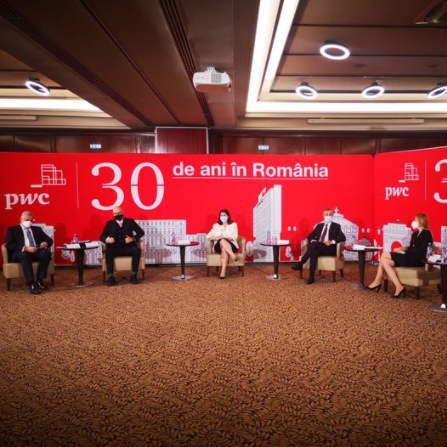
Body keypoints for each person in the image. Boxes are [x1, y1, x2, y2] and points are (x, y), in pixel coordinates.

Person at [367, 213, 433, 298]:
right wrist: (401, 249)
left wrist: (404, 252)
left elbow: (421, 251)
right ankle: (399, 287)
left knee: (384, 254)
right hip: (410, 256)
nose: (413, 222)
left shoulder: (426, 233)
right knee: (385, 262)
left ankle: (377, 282)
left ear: (421, 221)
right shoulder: (415, 234)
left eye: (415, 220)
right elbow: (410, 247)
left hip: (417, 259)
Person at [291, 208, 346, 284]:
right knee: (314, 252)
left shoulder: (336, 226)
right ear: (323, 216)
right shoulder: (319, 226)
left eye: (330, 214)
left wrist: (332, 241)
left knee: (314, 245)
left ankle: (301, 263)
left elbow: (343, 237)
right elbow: (310, 236)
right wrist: (312, 240)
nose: (328, 216)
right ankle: (311, 277)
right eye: (326, 214)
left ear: (332, 215)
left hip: (330, 249)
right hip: (319, 247)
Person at [6, 211, 53, 295]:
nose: (29, 222)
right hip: (21, 253)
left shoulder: (37, 229)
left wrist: (45, 243)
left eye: (31, 220)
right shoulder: (13, 230)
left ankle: (40, 279)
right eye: (27, 220)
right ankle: (31, 283)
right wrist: (25, 248)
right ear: (21, 219)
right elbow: (10, 244)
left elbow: (49, 240)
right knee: (25, 255)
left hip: (35, 251)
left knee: (46, 253)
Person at [100, 206, 145, 286]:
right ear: (113, 214)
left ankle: (134, 276)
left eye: (119, 213)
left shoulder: (130, 221)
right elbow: (102, 236)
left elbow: (141, 232)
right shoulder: (109, 223)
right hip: (115, 248)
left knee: (136, 250)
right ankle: (111, 277)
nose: (117, 215)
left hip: (128, 247)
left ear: (122, 212)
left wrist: (132, 238)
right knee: (108, 250)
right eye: (115, 213)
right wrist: (108, 240)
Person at [207, 208, 240, 279]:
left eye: (224, 215)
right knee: (222, 240)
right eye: (221, 215)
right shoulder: (216, 226)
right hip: (218, 245)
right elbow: (209, 236)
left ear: (228, 216)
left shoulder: (233, 224)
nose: (222, 217)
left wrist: (227, 238)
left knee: (224, 248)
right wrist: (217, 237)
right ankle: (232, 255)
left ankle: (223, 272)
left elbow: (235, 236)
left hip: (231, 244)